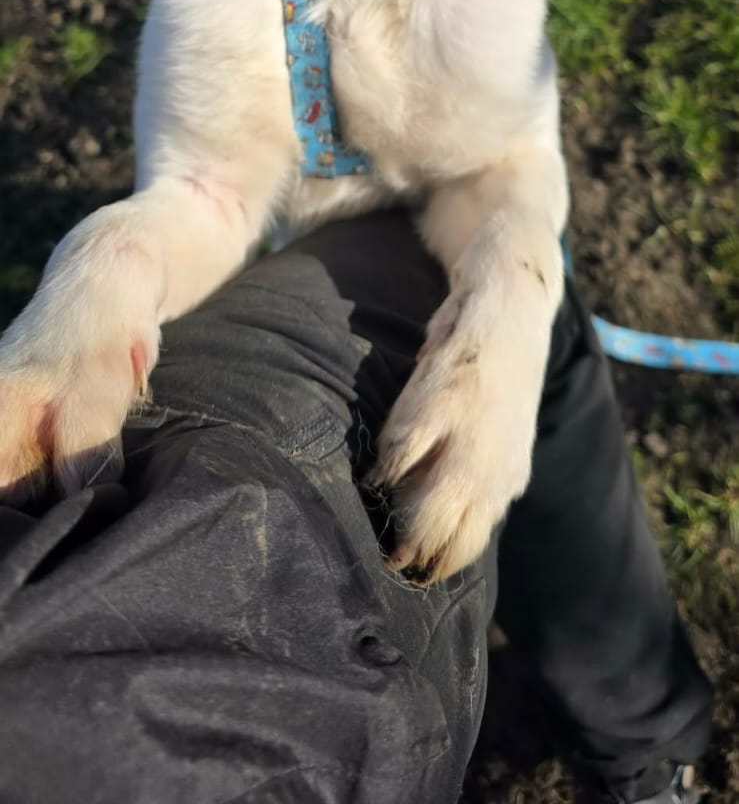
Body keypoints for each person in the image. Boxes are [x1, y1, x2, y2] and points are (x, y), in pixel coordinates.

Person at [0, 211, 712, 804]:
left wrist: (107, 266)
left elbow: (208, 194)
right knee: (500, 281)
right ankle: (646, 760)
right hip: (289, 660)